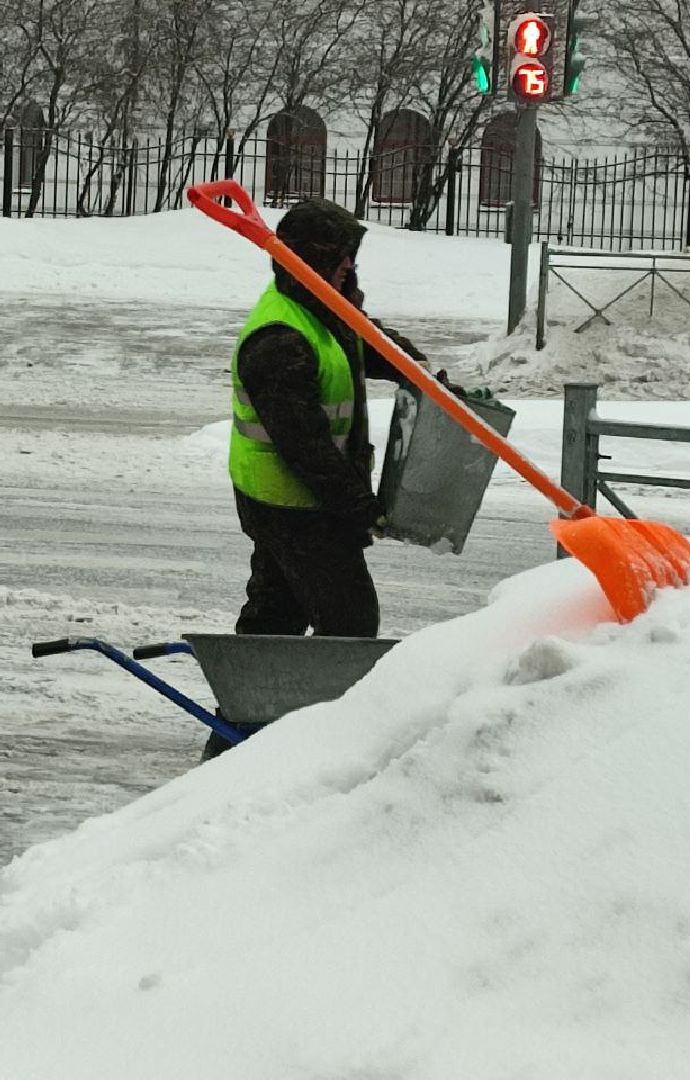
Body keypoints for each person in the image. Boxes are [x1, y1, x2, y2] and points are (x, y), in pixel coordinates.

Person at [208, 197, 434, 759]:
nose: (352, 271)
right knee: (350, 625)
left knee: (275, 620)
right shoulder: (280, 340)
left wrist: (421, 372)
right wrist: (362, 507)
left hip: (300, 501)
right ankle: (332, 752)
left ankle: (234, 746)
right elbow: (306, 448)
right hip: (291, 503)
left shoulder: (324, 308)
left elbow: (365, 340)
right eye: (343, 261)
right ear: (315, 261)